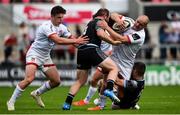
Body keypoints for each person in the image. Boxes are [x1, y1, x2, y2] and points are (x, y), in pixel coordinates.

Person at [6, 5, 88, 111]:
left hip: (45, 57)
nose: (61, 20)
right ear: (52, 16)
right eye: (59, 17)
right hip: (34, 54)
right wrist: (76, 41)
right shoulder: (46, 26)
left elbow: (73, 40)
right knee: (29, 79)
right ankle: (11, 101)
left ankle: (37, 93)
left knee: (56, 81)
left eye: (62, 17)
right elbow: (58, 40)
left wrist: (85, 46)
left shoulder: (62, 27)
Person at [72, 13, 149, 108]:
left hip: (125, 63)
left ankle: (131, 103)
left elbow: (121, 39)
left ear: (145, 26)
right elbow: (113, 15)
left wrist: (107, 28)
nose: (137, 24)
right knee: (96, 78)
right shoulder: (129, 21)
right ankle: (96, 103)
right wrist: (118, 20)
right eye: (137, 21)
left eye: (141, 24)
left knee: (120, 94)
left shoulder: (140, 35)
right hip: (113, 57)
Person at [62, 8, 122, 110]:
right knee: (114, 68)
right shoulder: (100, 21)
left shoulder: (90, 23)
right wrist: (113, 42)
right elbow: (100, 34)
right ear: (105, 16)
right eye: (107, 18)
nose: (107, 21)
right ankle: (110, 90)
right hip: (92, 49)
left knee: (80, 81)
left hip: (81, 51)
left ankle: (67, 104)